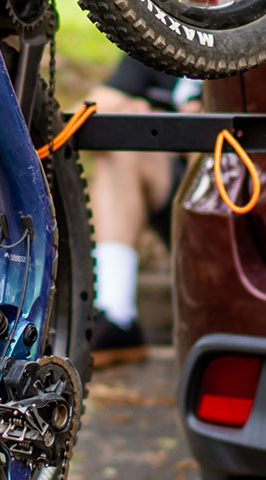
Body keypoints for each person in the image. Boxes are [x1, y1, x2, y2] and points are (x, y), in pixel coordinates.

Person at [85, 53, 201, 365]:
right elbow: (94, 106)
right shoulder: (165, 45)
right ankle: (115, 315)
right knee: (121, 144)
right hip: (173, 192)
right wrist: (130, 114)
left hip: (237, 194)